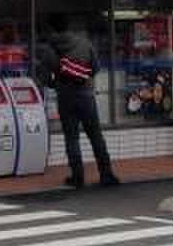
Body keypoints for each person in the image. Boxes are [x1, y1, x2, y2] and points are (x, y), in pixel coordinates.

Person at [42, 13, 119, 188]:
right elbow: (96, 68)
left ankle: (77, 177)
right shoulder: (84, 43)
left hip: (65, 98)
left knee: (71, 138)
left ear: (52, 28)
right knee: (96, 135)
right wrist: (83, 78)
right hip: (86, 96)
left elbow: (44, 77)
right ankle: (106, 174)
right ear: (68, 26)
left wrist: (57, 84)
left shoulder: (50, 50)